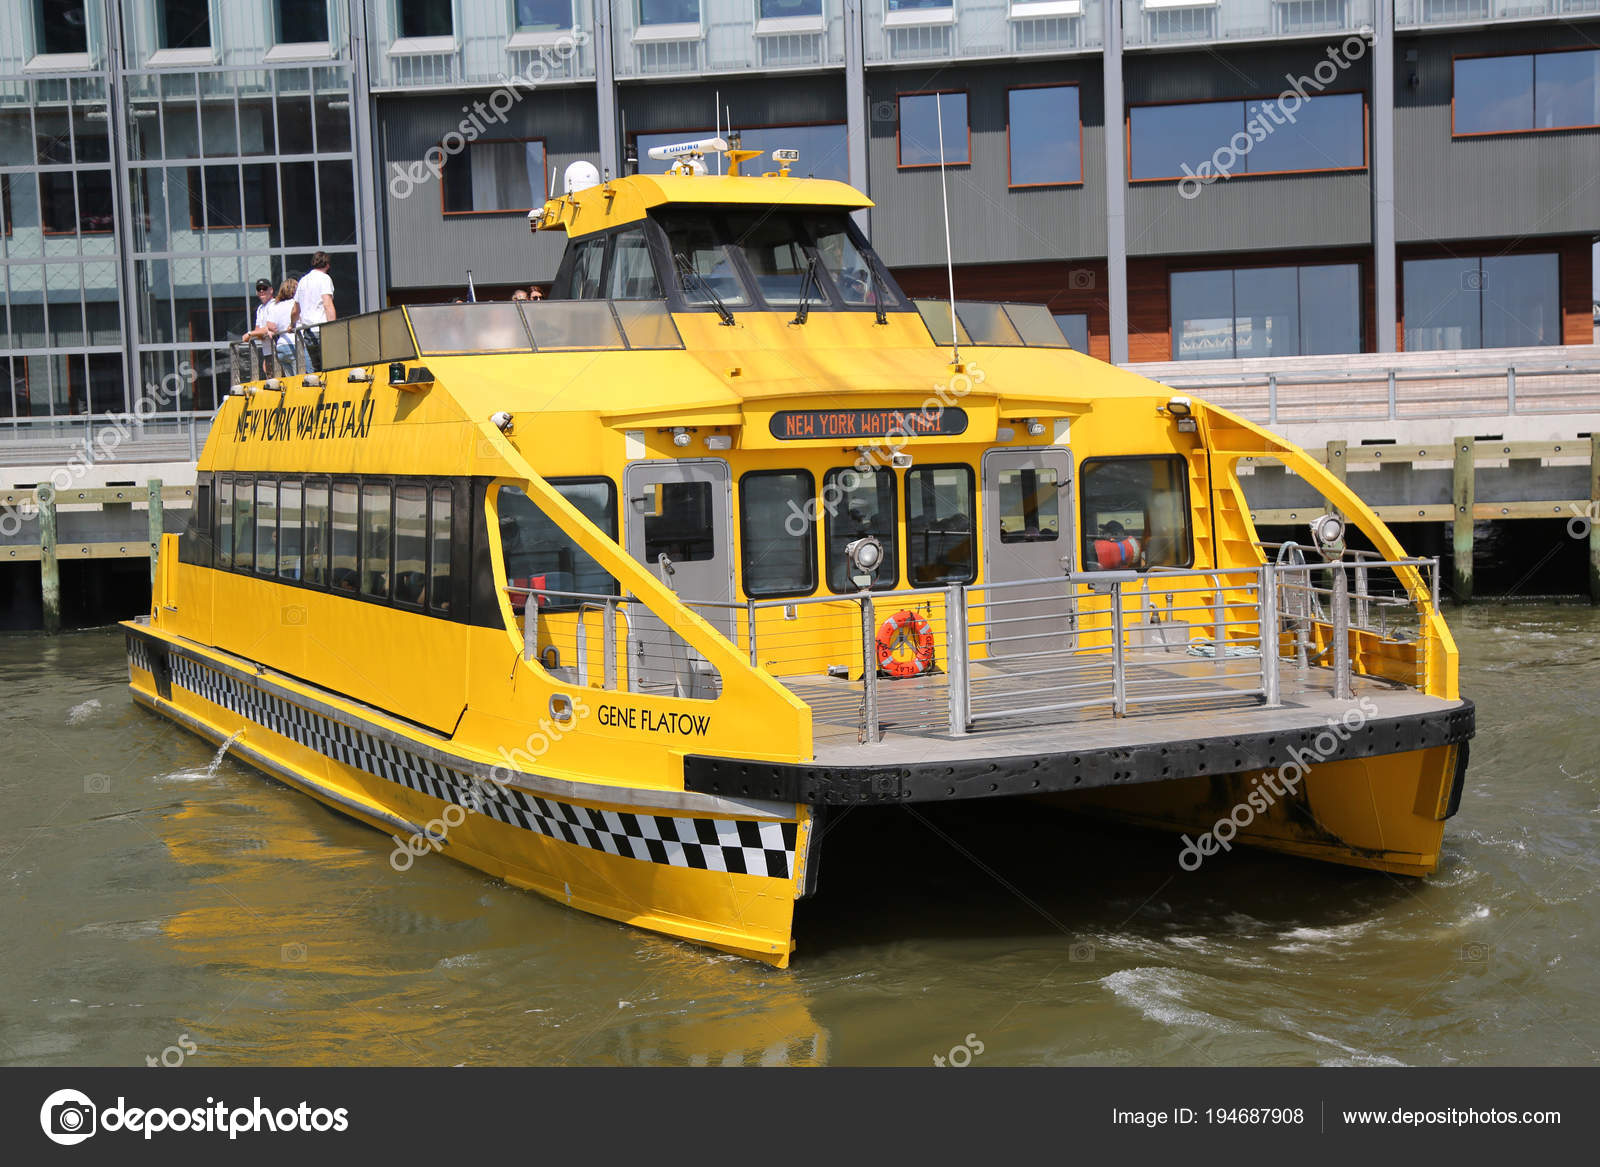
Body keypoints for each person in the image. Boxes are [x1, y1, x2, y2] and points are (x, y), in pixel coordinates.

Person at [294, 252, 336, 370]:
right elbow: (327, 304)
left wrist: (291, 324)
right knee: (330, 368)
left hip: (308, 332)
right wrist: (333, 328)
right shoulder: (325, 278)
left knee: (316, 370)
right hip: (322, 330)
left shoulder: (303, 280)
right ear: (327, 265)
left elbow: (295, 309)